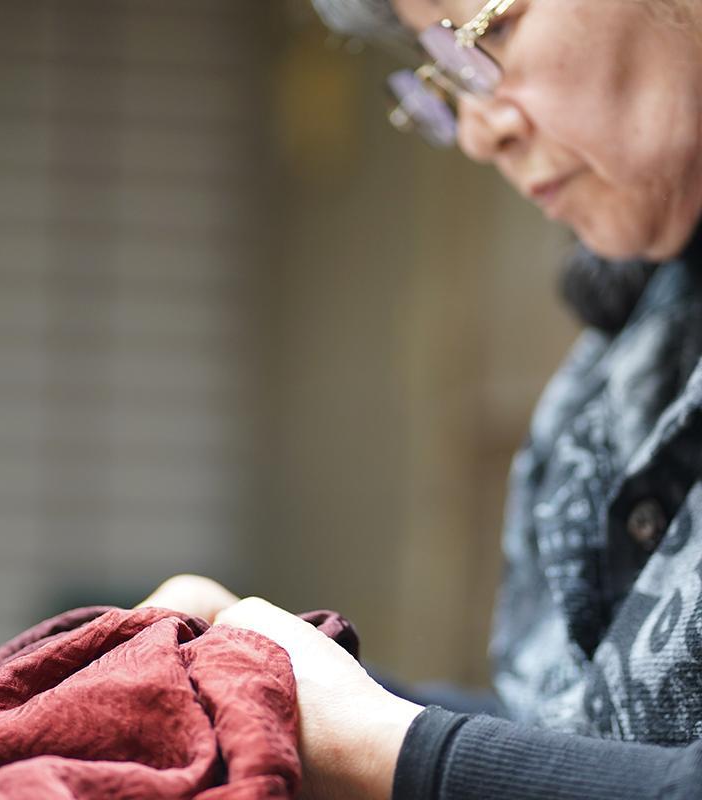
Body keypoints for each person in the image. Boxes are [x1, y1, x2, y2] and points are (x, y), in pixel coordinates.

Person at [143, 1, 702, 798]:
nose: (479, 131)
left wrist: (391, 748)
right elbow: (572, 737)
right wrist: (278, 679)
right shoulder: (626, 355)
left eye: (490, 31)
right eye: (445, 69)